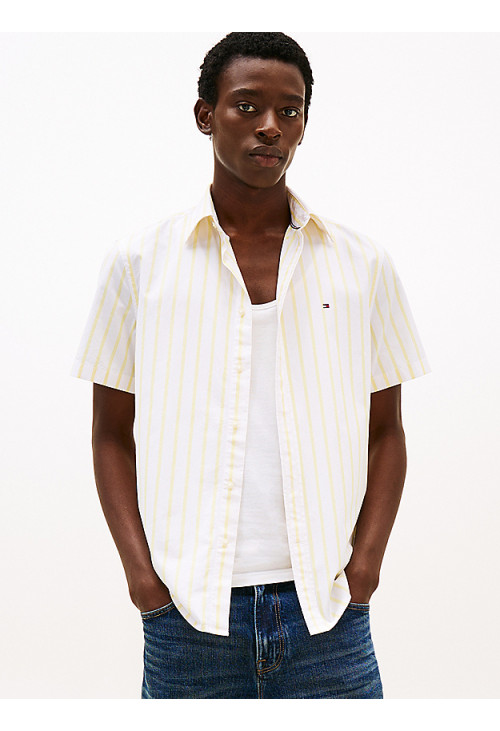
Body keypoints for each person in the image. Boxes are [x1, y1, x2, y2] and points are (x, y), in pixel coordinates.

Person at [71, 32, 430, 699]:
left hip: (328, 618)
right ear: (205, 115)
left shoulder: (362, 264)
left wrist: (365, 570)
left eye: (289, 111)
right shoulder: (140, 263)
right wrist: (144, 582)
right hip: (188, 621)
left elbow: (388, 432)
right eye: (247, 106)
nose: (271, 126)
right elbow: (110, 435)